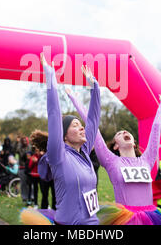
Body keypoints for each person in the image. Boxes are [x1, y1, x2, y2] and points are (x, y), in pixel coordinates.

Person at [66, 88, 161, 225]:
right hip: (125, 219)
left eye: (126, 132)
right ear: (116, 146)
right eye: (119, 133)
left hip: (149, 218)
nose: (125, 131)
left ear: (134, 143)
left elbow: (156, 127)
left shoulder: (147, 159)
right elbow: (94, 129)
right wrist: (75, 100)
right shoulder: (110, 161)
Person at [20, 54, 101, 225]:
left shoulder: (85, 153)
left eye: (81, 125)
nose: (81, 128)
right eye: (75, 125)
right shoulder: (58, 155)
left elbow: (93, 120)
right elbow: (54, 114)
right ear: (63, 135)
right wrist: (50, 77)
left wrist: (95, 87)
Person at [30, 130, 56, 210]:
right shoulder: (42, 154)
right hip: (44, 177)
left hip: (54, 177)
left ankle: (55, 213)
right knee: (44, 195)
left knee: (55, 196)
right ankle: (44, 211)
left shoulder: (54, 150)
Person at [16, 136, 32, 205]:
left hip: (29, 167)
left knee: (31, 184)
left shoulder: (30, 147)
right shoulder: (19, 148)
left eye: (25, 140)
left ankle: (31, 197)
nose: (24, 142)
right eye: (23, 141)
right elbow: (17, 151)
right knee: (23, 184)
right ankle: (24, 197)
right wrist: (18, 143)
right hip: (22, 167)